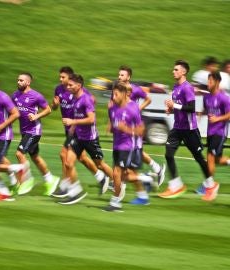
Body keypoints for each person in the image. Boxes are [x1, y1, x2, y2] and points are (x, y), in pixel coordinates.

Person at [51, 66, 109, 197]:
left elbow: (90, 103)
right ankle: (101, 178)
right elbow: (54, 107)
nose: (61, 80)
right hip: (70, 129)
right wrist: (55, 105)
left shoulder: (79, 92)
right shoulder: (59, 89)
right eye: (60, 77)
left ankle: (68, 186)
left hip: (79, 130)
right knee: (82, 158)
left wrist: (75, 122)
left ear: (71, 78)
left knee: (64, 155)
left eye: (63, 77)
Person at [158, 60, 213, 199]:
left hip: (189, 130)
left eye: (176, 69)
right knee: (168, 154)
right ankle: (176, 186)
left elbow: (191, 108)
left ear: (183, 72)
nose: (173, 71)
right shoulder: (175, 87)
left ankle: (210, 184)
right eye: (173, 69)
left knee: (199, 158)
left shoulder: (187, 87)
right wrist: (170, 109)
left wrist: (174, 105)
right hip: (177, 128)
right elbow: (179, 107)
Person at [103, 82, 151, 212]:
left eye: (116, 94)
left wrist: (127, 129)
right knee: (122, 176)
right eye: (112, 94)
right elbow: (114, 127)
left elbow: (141, 131)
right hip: (116, 145)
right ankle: (146, 178)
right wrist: (112, 128)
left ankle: (115, 203)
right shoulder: (112, 108)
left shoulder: (133, 108)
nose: (113, 96)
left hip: (128, 146)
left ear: (124, 94)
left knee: (117, 173)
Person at [117, 65, 166, 187]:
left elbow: (148, 99)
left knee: (135, 150)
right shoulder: (118, 89)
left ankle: (124, 181)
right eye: (119, 74)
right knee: (136, 151)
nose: (119, 76)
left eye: (122, 75)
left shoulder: (135, 89)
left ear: (128, 77)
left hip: (134, 124)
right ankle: (156, 169)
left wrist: (138, 108)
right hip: (124, 124)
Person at [12, 72, 60, 196]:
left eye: (21, 80)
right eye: (18, 80)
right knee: (35, 157)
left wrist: (36, 116)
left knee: (19, 153)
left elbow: (48, 109)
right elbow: (11, 110)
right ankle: (50, 180)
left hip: (34, 131)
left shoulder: (36, 96)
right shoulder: (15, 95)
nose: (18, 82)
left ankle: (26, 181)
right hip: (24, 131)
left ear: (28, 82)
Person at [195, 71, 230, 201]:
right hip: (210, 132)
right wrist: (199, 114)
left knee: (210, 157)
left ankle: (209, 186)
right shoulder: (207, 97)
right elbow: (206, 109)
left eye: (210, 81)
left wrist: (218, 119)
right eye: (207, 81)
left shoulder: (224, 98)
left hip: (220, 133)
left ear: (217, 82)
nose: (208, 83)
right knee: (216, 160)